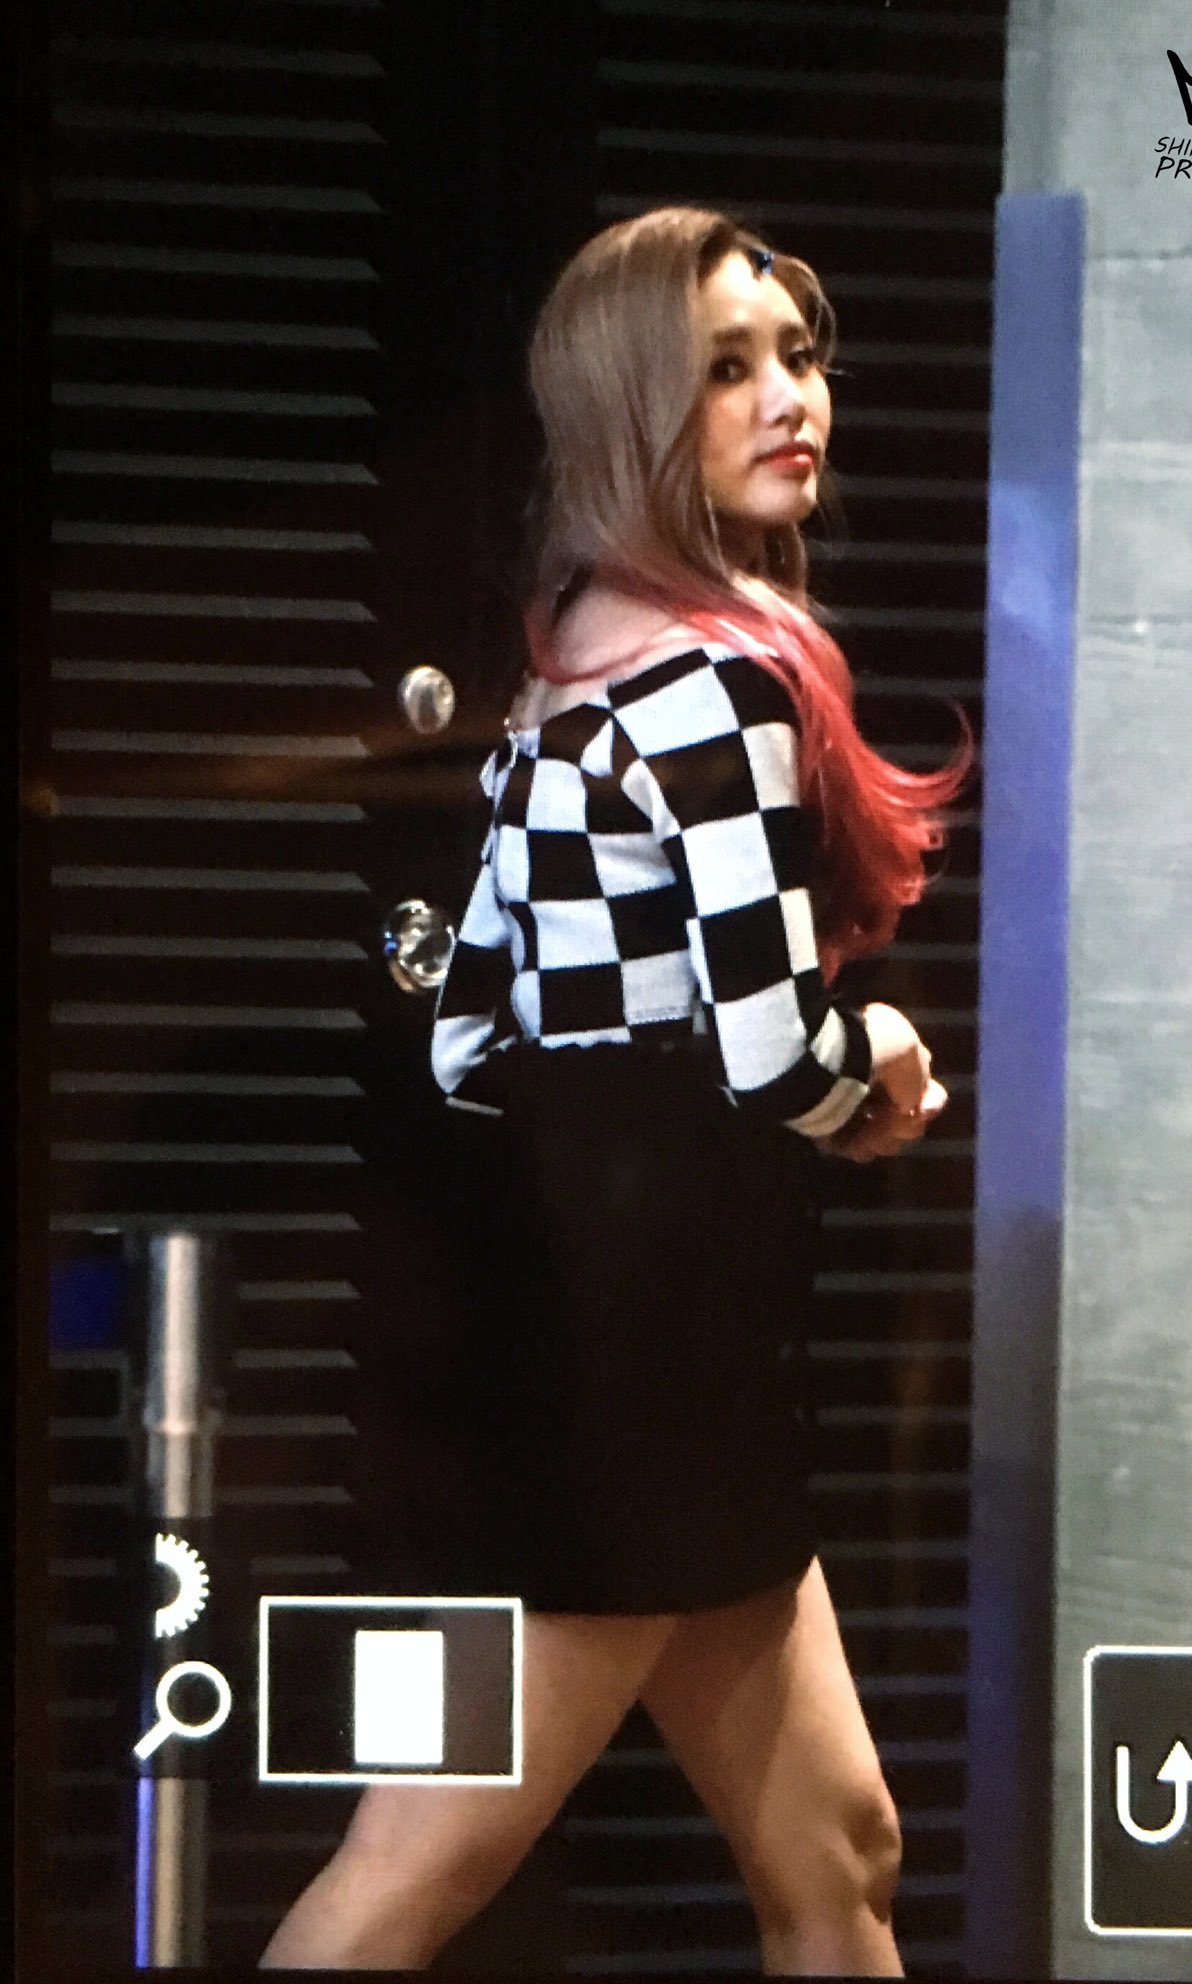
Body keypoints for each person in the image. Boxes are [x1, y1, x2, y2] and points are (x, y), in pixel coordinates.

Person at [261, 205, 971, 1974]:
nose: (789, 396)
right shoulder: (717, 687)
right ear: (629, 413)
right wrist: (874, 1068)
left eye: (795, 353)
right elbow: (769, 1047)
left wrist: (600, 1144)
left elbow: (467, 1035)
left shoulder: (569, 656)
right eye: (724, 369)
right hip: (648, 1365)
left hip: (619, 1339)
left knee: (840, 1850)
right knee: (415, 1871)